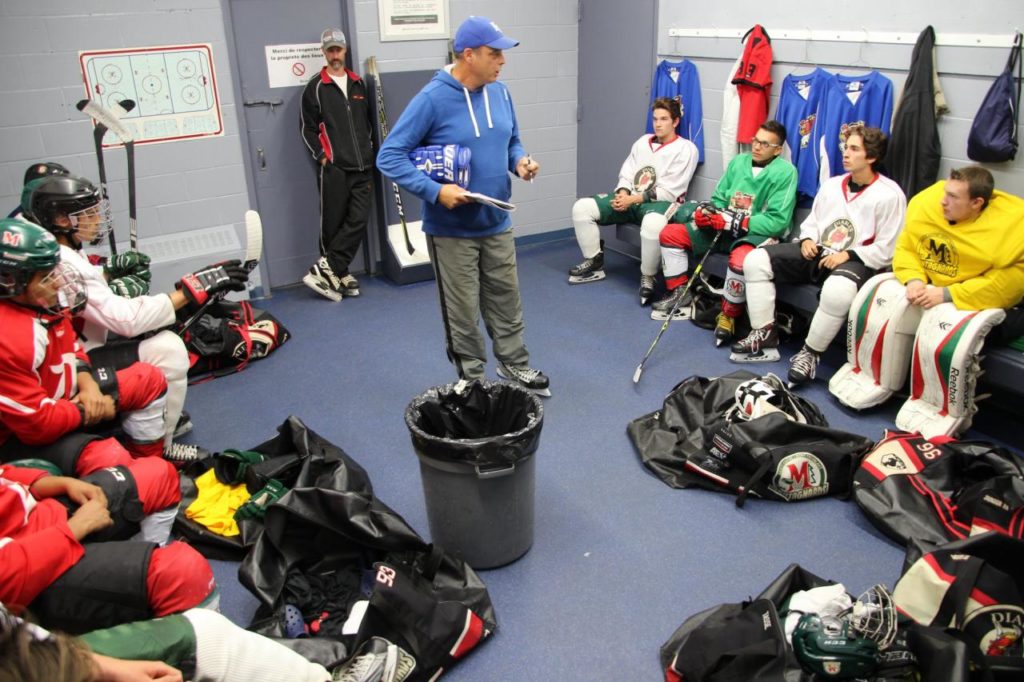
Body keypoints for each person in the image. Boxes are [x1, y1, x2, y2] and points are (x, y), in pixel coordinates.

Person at [22, 174, 250, 464]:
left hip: (74, 352)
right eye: (87, 213)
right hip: (67, 370)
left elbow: (95, 295)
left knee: (160, 329)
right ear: (62, 220)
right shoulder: (61, 262)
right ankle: (159, 449)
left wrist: (108, 272)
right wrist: (193, 288)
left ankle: (157, 420)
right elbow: (126, 320)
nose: (95, 218)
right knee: (169, 348)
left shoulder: (60, 251)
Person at [376, 16, 549, 395]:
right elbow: (389, 157)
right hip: (452, 231)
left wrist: (520, 162)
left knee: (506, 299)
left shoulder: (500, 93)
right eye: (494, 53)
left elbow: (512, 141)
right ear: (468, 55)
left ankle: (514, 364)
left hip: (497, 219)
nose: (501, 61)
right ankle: (472, 378)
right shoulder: (432, 99)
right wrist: (436, 192)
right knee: (463, 313)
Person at [0, 217, 179, 474]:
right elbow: (37, 425)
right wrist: (86, 411)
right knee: (111, 459)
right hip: (19, 440)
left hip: (65, 400)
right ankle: (140, 481)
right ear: (9, 281)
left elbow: (71, 346)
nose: (58, 282)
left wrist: (88, 384)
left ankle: (150, 465)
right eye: (46, 277)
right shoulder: (8, 337)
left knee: (147, 379)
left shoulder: (39, 302)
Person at [731, 126, 907, 387]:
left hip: (857, 261)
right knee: (756, 260)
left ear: (872, 157)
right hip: (819, 252)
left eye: (854, 149)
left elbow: (888, 249)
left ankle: (810, 354)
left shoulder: (890, 194)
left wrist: (849, 254)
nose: (846, 153)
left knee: (838, 291)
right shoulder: (833, 185)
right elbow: (813, 222)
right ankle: (765, 332)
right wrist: (807, 239)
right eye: (846, 147)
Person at [0, 460, 215, 635]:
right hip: (26, 580)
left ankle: (139, 577)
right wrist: (75, 528)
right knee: (183, 572)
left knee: (160, 475)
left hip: (44, 518)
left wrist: (61, 483)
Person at [654, 119, 798, 346]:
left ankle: (728, 316)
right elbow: (719, 198)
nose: (757, 147)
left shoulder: (786, 172)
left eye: (764, 144)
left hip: (755, 234)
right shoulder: (738, 162)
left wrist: (738, 221)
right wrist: (708, 214)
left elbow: (778, 222)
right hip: (723, 227)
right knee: (671, 233)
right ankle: (680, 292)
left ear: (778, 150)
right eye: (755, 141)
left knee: (742, 260)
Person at [568, 97, 699, 305]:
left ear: (675, 122)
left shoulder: (687, 149)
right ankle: (594, 261)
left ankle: (647, 276)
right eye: (655, 118)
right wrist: (622, 192)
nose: (658, 124)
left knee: (652, 225)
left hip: (661, 203)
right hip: (631, 198)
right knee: (582, 208)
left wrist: (632, 199)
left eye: (664, 119)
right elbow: (627, 173)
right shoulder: (642, 142)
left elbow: (671, 191)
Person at [300, 27, 374, 302]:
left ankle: (329, 268)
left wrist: (370, 153)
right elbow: (307, 128)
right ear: (324, 52)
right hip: (335, 168)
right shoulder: (315, 87)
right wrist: (322, 156)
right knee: (333, 223)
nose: (334, 55)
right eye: (330, 50)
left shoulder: (358, 84)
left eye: (338, 50)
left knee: (357, 220)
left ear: (345, 51)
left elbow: (367, 124)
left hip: (364, 166)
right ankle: (337, 273)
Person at [893, 166, 1024, 312]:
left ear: (976, 203)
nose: (943, 201)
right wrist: (914, 279)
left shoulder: (1010, 227)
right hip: (927, 287)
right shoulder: (926, 205)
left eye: (953, 196)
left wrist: (949, 294)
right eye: (945, 192)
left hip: (972, 303)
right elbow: (907, 247)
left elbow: (1006, 285)